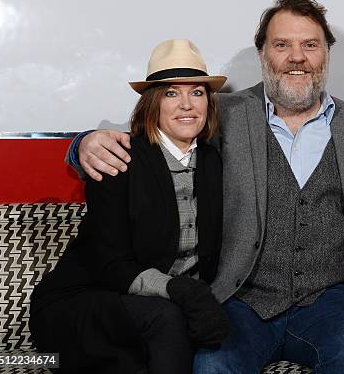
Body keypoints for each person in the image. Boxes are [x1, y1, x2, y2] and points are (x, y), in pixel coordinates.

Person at [66, 0, 344, 372]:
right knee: (211, 366)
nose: (297, 57)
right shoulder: (223, 112)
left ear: (326, 54)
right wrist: (82, 143)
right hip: (240, 298)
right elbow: (151, 132)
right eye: (282, 45)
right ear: (263, 54)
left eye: (310, 45)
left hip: (331, 300)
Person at [30, 39, 229, 374]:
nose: (186, 104)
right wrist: (179, 289)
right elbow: (111, 264)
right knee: (167, 319)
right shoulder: (118, 158)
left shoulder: (213, 161)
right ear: (152, 103)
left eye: (196, 92)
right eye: (171, 93)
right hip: (86, 302)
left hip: (157, 310)